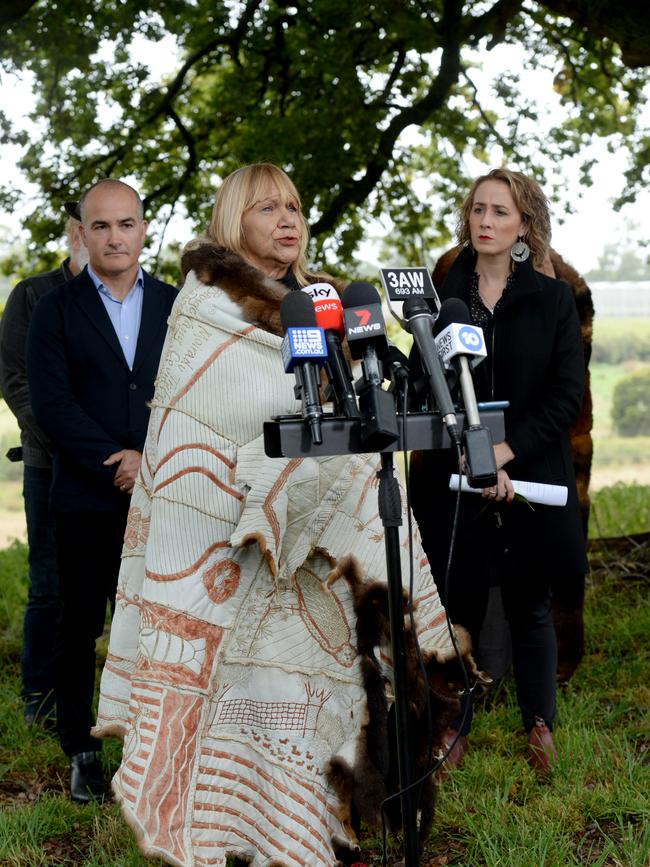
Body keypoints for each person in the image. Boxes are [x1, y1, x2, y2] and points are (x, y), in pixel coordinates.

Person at [93, 163, 471, 867]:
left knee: (328, 688)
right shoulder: (205, 308)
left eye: (294, 205)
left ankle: (326, 830)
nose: (287, 219)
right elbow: (205, 421)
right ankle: (245, 836)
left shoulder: (322, 302)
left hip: (322, 550)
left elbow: (355, 412)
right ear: (236, 218)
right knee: (257, 693)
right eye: (268, 207)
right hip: (230, 543)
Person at [409, 168, 588, 779]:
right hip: (452, 482)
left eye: (499, 212)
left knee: (529, 605)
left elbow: (565, 399)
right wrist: (467, 455)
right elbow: (421, 388)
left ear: (523, 226)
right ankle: (452, 724)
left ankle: (539, 724)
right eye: (477, 210)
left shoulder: (553, 299)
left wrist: (505, 455)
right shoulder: (437, 302)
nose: (484, 221)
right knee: (454, 607)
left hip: (531, 473)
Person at [26, 179, 178, 803]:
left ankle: (151, 746)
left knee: (158, 626)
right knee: (80, 621)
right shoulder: (54, 309)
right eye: (101, 226)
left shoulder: (177, 305)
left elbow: (192, 392)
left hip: (168, 492)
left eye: (127, 224)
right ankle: (81, 750)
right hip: (87, 495)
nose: (115, 237)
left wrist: (154, 459)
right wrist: (114, 461)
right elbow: (51, 404)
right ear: (82, 233)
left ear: (144, 229)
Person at [0, 212, 88, 728]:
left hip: (120, 468)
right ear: (73, 231)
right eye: (86, 225)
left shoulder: (136, 301)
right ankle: (39, 697)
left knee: (123, 586)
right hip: (48, 465)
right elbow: (16, 380)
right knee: (50, 585)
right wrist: (74, 443)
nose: (96, 236)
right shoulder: (32, 296)